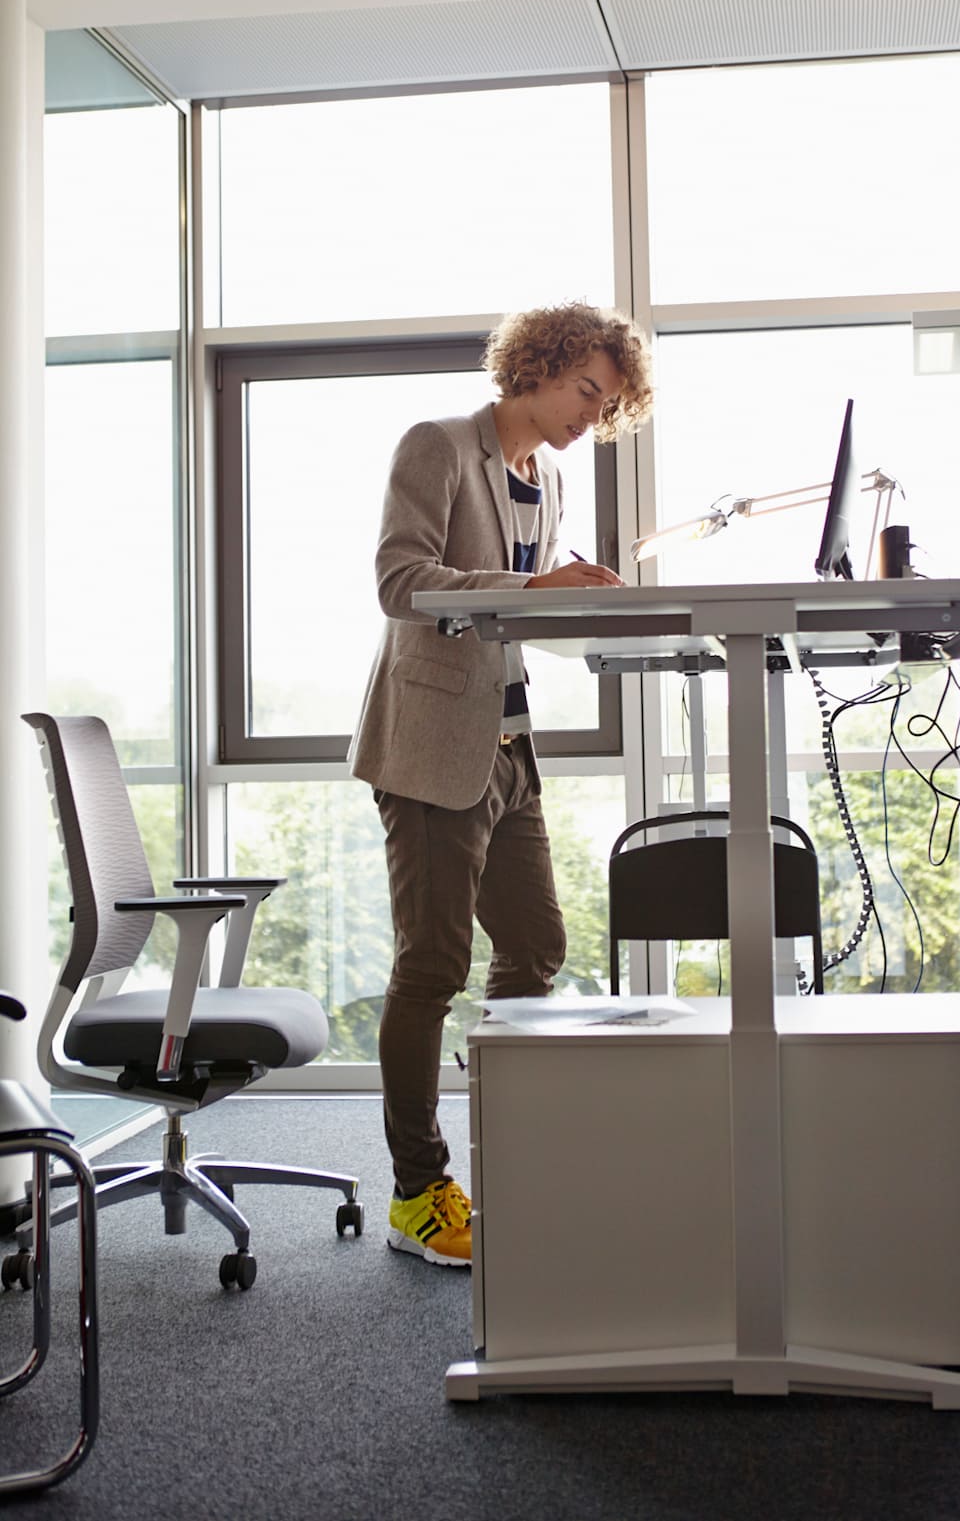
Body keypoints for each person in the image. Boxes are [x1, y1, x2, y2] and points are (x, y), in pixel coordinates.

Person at [349, 301, 654, 1266]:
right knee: (431, 966)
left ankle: (504, 1147)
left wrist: (587, 602)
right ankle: (417, 1191)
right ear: (539, 364)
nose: (588, 416)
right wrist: (535, 590)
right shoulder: (437, 445)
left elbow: (512, 612)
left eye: (606, 405)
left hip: (511, 741)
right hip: (434, 741)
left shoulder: (549, 476)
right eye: (584, 391)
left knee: (535, 944)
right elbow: (405, 584)